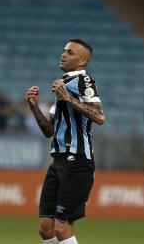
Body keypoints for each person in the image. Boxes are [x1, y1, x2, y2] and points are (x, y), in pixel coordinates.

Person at [26, 38, 105, 244]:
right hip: (58, 162)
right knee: (46, 228)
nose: (63, 54)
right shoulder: (63, 85)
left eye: (70, 52)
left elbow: (99, 116)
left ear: (82, 62)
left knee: (62, 227)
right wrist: (34, 108)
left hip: (78, 161)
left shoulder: (83, 81)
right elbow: (49, 130)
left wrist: (69, 99)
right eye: (64, 50)